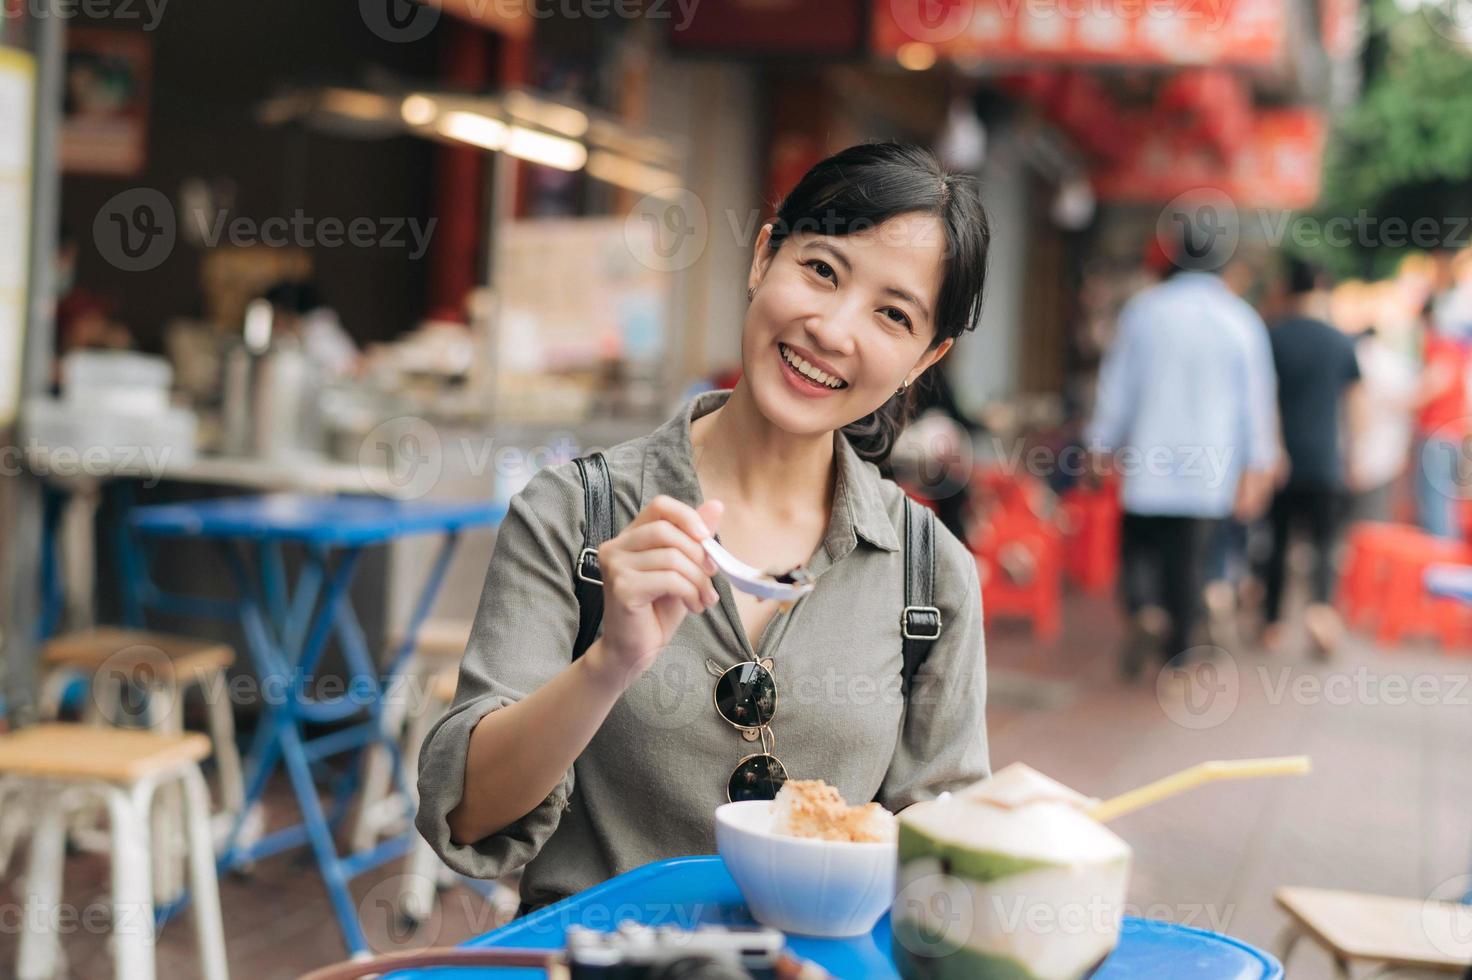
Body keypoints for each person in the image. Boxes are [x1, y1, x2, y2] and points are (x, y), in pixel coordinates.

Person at [415, 143, 992, 913]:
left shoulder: (930, 573)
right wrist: (609, 662)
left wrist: (998, 849)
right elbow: (467, 814)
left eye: (893, 314)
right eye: (821, 270)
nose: (833, 329)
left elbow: (942, 856)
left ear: (928, 357)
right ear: (764, 257)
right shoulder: (571, 514)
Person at [1086, 226, 1279, 677]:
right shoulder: (1240, 320)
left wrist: (1099, 445)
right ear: (1224, 265)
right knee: (1188, 560)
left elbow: (1116, 387)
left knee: (1138, 547)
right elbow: (1257, 402)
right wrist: (1259, 466)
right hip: (1209, 470)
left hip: (1147, 462)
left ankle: (1144, 608)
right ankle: (1178, 654)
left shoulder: (1143, 311)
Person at [1258, 259, 1362, 657]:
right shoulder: (1340, 341)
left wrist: (1270, 449)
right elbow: (1354, 406)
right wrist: (1351, 457)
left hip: (1279, 459)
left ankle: (1272, 623)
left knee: (1277, 543)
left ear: (1287, 288)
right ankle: (1320, 611)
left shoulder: (1272, 338)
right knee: (1323, 544)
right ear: (1321, 288)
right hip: (1325, 460)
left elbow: (1262, 401)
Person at [1413, 298, 1471, 539]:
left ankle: (1439, 565)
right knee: (1445, 503)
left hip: (1438, 433)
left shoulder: (1442, 346)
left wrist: (1407, 400)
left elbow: (1436, 381)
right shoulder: (1458, 349)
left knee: (1435, 504)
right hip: (1452, 432)